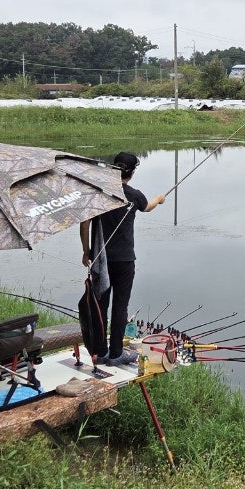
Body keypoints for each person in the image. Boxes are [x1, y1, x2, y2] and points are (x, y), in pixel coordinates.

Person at [80, 152, 165, 366]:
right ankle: (116, 354)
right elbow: (147, 207)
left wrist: (86, 250)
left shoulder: (99, 194)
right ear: (132, 172)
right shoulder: (134, 195)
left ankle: (100, 352)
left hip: (102, 260)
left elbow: (84, 223)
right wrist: (159, 199)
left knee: (100, 305)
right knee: (120, 306)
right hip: (125, 261)